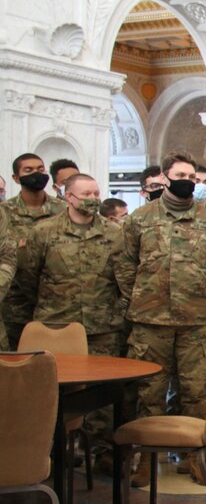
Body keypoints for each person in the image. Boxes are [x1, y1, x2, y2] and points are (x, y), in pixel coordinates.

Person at [115, 151, 206, 485]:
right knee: (148, 392)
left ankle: (196, 461)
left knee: (197, 392)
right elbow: (124, 265)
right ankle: (147, 462)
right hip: (150, 323)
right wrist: (140, 298)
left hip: (196, 323)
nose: (187, 182)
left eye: (192, 178)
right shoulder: (141, 218)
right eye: (180, 176)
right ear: (164, 178)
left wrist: (200, 296)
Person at [17, 173, 124, 471]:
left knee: (103, 393)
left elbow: (124, 278)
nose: (93, 199)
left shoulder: (114, 234)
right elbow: (27, 278)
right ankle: (49, 452)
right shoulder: (44, 232)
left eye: (96, 193)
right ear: (69, 197)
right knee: (52, 392)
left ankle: (103, 452)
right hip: (55, 326)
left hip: (102, 326)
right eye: (87, 194)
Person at [2, 153, 67, 347]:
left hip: (56, 302)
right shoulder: (4, 212)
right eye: (28, 171)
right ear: (16, 178)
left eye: (40, 169)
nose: (36, 174)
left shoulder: (63, 209)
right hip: (14, 304)